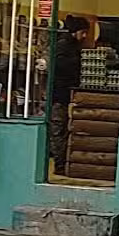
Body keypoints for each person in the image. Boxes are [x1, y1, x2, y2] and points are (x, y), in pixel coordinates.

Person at [50, 15, 89, 175]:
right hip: (61, 95)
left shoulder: (69, 47)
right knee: (59, 130)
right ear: (75, 32)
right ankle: (60, 165)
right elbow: (60, 68)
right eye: (83, 32)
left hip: (64, 95)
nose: (85, 36)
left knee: (61, 130)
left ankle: (62, 164)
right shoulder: (64, 47)